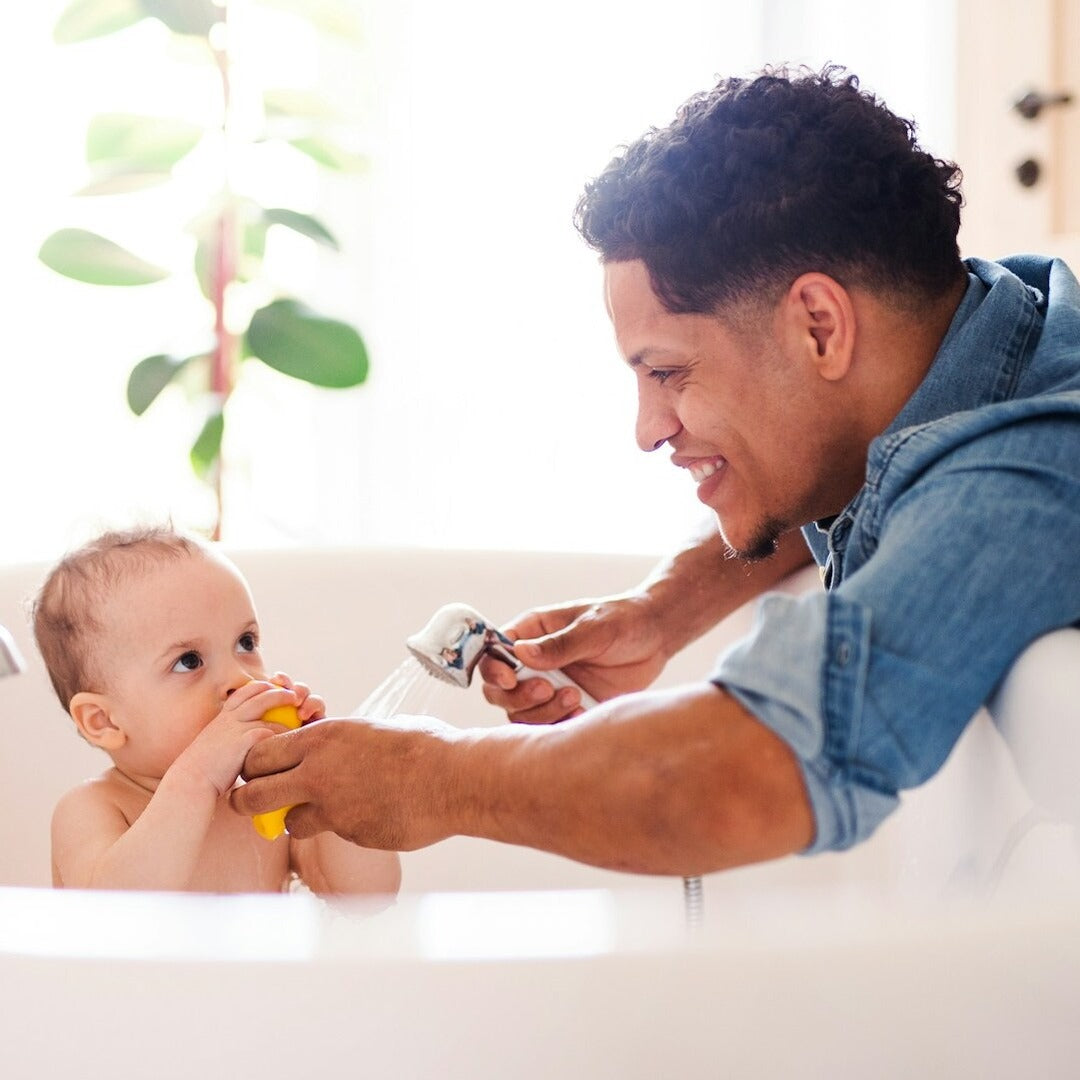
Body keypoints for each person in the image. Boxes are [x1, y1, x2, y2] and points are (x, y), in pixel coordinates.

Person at [231, 66, 1080, 874]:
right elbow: (856, 456)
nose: (646, 430)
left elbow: (746, 780)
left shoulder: (1027, 471)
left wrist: (431, 780)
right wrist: (661, 611)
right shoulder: (987, 335)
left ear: (820, 327)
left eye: (668, 373)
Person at [34, 525, 401, 895]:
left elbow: (367, 896)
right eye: (189, 661)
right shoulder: (91, 809)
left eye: (246, 642)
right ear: (104, 721)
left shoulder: (264, 800)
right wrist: (197, 776)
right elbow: (115, 915)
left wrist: (322, 778)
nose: (240, 677)